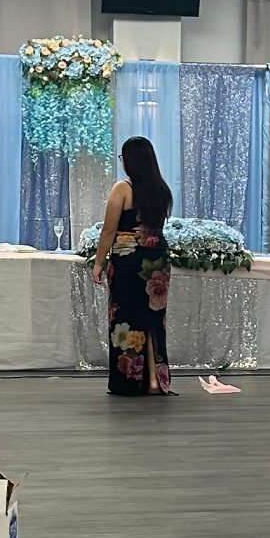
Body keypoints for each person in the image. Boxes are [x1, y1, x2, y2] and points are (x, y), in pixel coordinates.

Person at [93, 134, 174, 397]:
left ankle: (129, 380)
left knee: (126, 320)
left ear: (129, 161)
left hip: (129, 261)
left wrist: (98, 263)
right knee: (152, 319)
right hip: (157, 261)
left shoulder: (123, 188)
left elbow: (108, 230)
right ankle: (154, 379)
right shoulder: (161, 190)